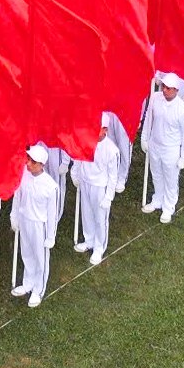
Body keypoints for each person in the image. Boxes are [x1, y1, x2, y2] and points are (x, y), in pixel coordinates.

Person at [70, 109, 128, 263]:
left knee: (100, 218)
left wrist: (109, 196)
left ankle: (99, 247)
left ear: (105, 130)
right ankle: (89, 239)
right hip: (86, 182)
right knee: (87, 213)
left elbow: (112, 176)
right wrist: (75, 174)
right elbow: (79, 157)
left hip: (100, 187)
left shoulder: (112, 150)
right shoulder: (86, 139)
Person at [140, 74, 184, 223]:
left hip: (171, 149)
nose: (165, 90)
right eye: (164, 87)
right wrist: (144, 138)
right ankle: (158, 199)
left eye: (169, 88)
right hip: (155, 144)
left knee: (170, 178)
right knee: (156, 174)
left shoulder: (182, 110)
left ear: (176, 90)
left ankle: (169, 206)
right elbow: (149, 120)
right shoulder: (155, 98)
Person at [10, 143, 57, 305]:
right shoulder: (23, 174)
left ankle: (38, 289)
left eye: (33, 162)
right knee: (27, 253)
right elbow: (17, 197)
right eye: (28, 159)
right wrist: (14, 216)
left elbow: (52, 214)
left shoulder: (51, 186)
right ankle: (28, 282)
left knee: (40, 257)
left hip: (39, 225)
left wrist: (51, 236)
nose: (28, 163)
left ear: (42, 164)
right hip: (25, 220)